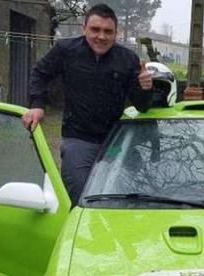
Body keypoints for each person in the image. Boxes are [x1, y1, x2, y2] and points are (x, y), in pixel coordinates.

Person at [22, 3, 153, 204]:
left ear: (116, 33)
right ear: (84, 29)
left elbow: (142, 105)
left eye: (108, 31)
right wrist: (37, 104)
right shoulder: (65, 50)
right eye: (95, 29)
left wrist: (145, 88)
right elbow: (40, 73)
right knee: (81, 200)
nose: (101, 36)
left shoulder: (128, 59)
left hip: (114, 143)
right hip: (78, 139)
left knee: (124, 198)